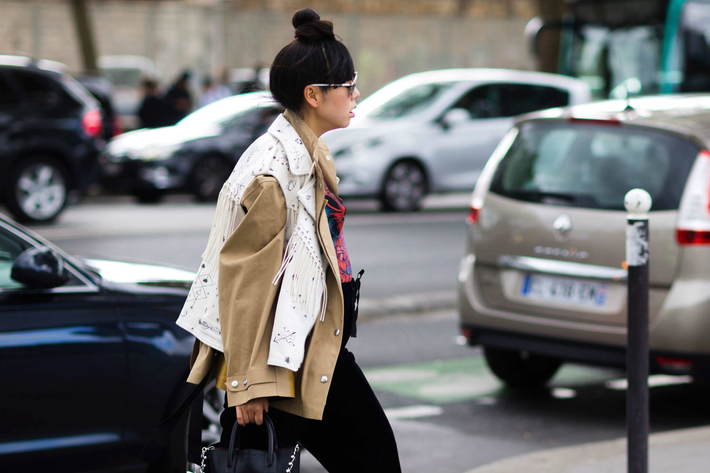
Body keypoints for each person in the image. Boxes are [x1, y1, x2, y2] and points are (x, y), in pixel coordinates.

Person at [177, 8, 402, 472]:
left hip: (312, 346)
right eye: (349, 84)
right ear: (314, 95)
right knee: (258, 463)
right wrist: (247, 384)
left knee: (374, 455)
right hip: (277, 364)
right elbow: (244, 281)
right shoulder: (273, 170)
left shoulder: (309, 154)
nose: (356, 93)